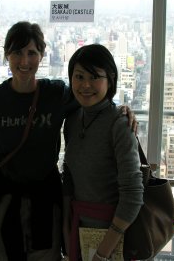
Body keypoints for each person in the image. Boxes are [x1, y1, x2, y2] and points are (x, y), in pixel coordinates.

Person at [0, 22, 135, 260]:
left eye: (32, 53)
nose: (24, 61)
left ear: (42, 55)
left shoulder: (56, 93)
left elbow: (90, 95)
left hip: (46, 198)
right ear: (6, 54)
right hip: (4, 199)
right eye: (17, 52)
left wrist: (121, 109)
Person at [62, 44, 144, 261]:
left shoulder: (119, 125)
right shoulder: (72, 120)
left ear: (110, 80)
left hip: (112, 241)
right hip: (77, 233)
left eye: (95, 77)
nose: (85, 85)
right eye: (79, 76)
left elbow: (133, 195)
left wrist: (102, 254)